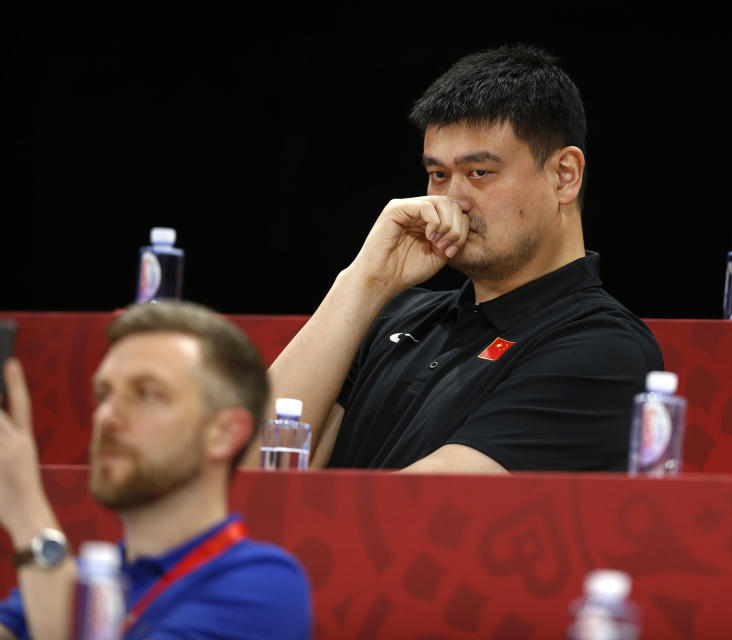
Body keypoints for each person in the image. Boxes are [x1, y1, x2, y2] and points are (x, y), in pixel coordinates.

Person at [263, 44, 663, 474]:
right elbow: (249, 470)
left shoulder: (603, 348)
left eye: (479, 173)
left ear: (564, 175)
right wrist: (363, 280)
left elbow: (417, 512)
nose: (452, 199)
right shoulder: (396, 317)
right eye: (438, 174)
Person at [0, 301, 312, 639]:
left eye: (146, 393)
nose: (106, 416)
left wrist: (27, 514)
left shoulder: (264, 588)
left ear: (223, 434)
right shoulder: (69, 581)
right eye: (103, 394)